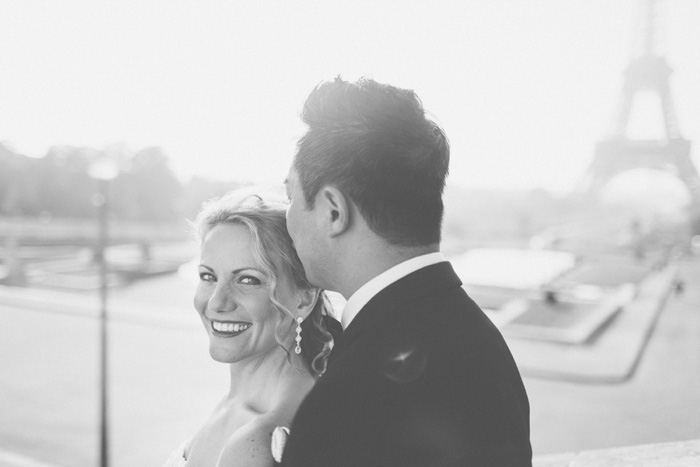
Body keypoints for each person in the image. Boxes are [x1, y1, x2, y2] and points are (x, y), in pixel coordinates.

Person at [282, 77, 532, 466]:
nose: (288, 219)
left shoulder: (347, 399)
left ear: (334, 211)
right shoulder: (484, 343)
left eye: (290, 197)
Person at [163, 190, 340, 467]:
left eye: (248, 280)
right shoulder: (244, 403)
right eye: (208, 276)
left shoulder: (258, 441)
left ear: (304, 299)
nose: (217, 302)